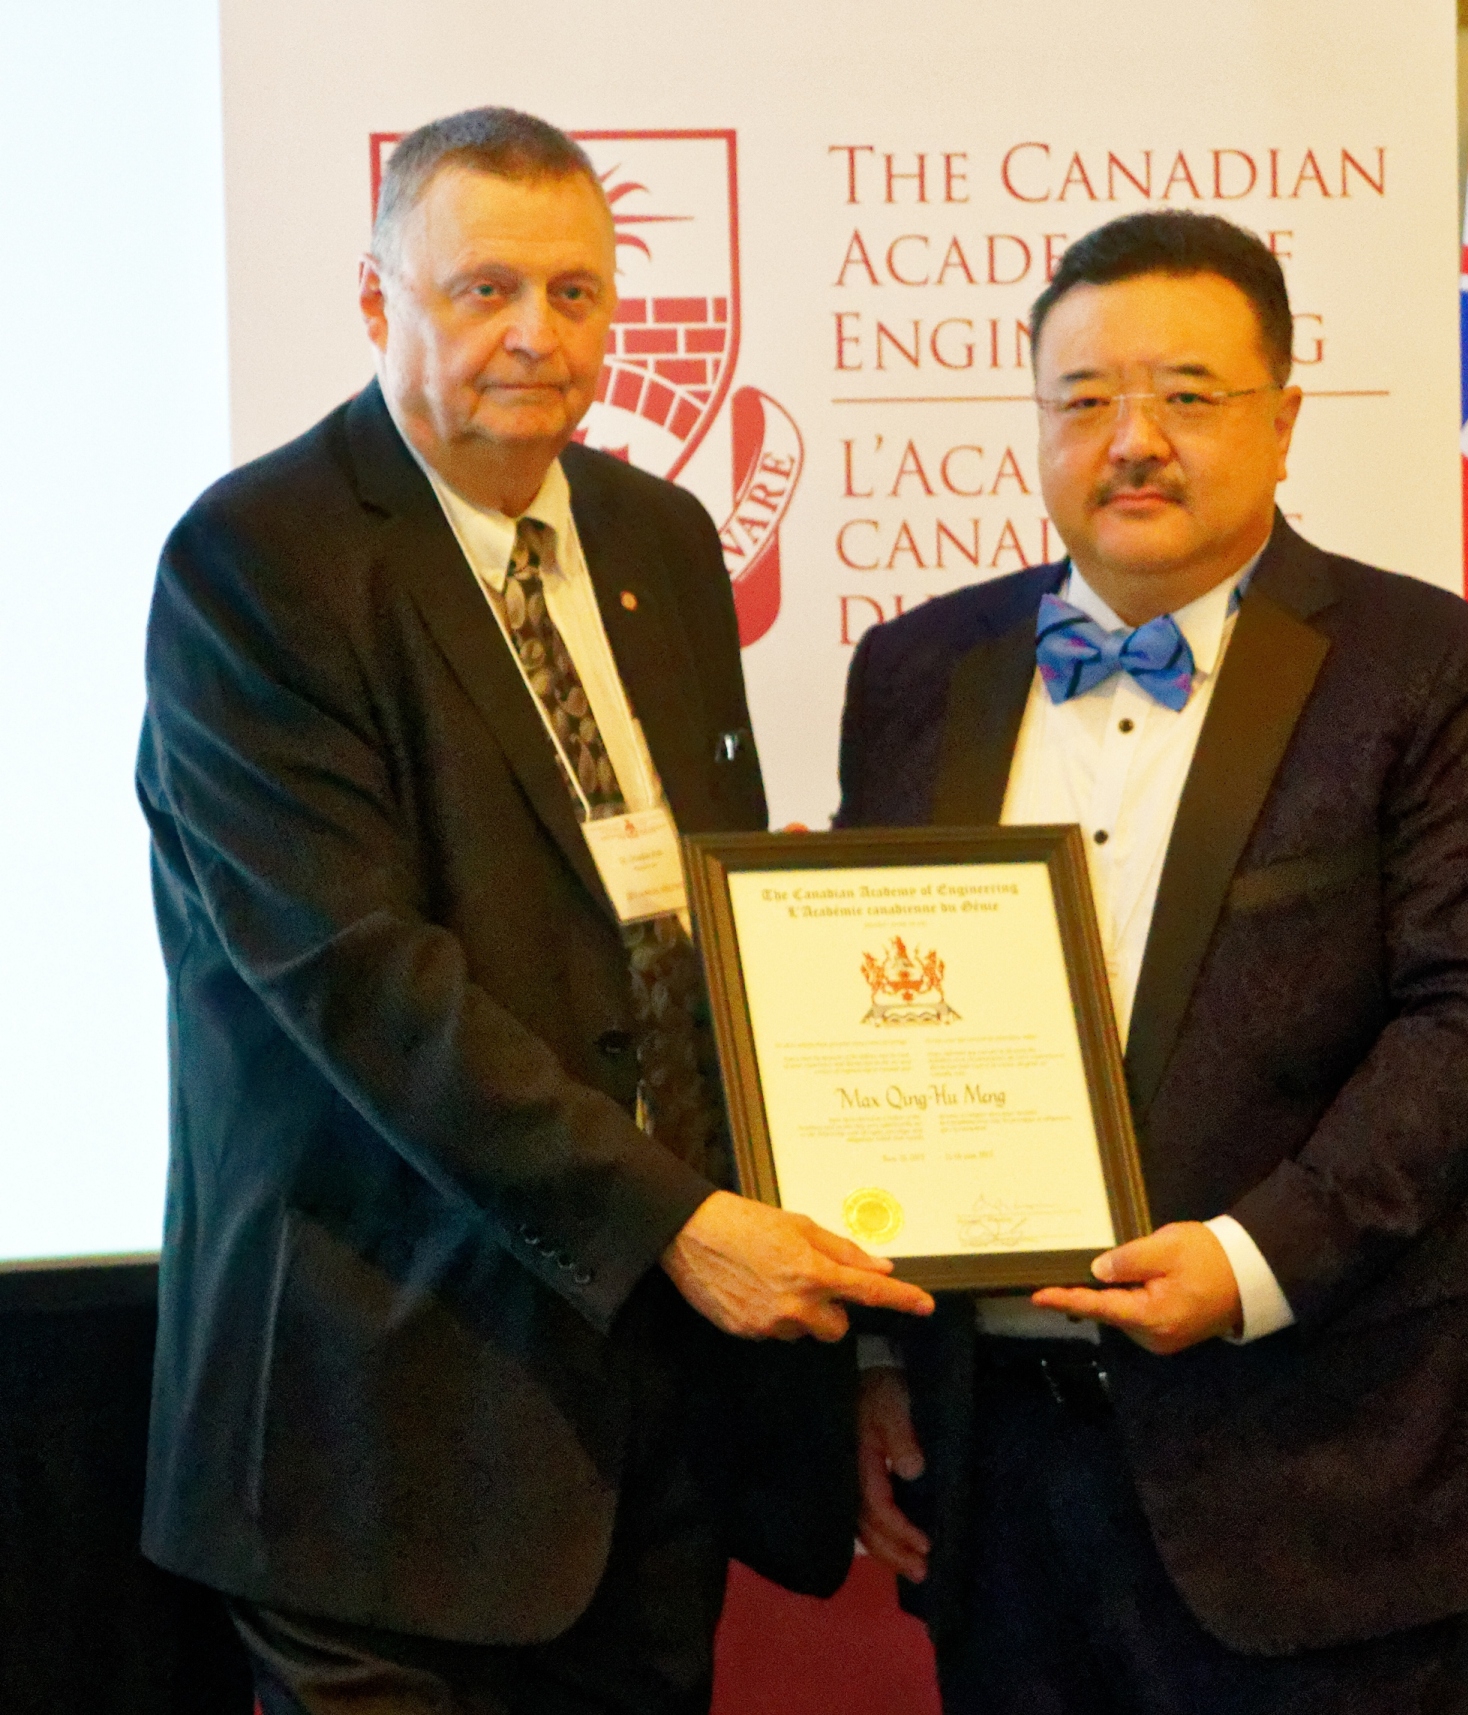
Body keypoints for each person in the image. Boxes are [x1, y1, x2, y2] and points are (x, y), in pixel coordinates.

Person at [136, 106, 931, 1715]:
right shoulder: (260, 560)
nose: (535, 334)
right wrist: (676, 1225)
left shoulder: (660, 540)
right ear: (378, 306)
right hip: (385, 1423)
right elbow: (357, 979)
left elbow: (684, 917)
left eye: (576, 293)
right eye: (483, 288)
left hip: (649, 1420)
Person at [837, 209, 1468, 1715]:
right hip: (1004, 1477)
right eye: (1086, 398)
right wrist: (873, 1365)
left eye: (1188, 393)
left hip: (1324, 1470)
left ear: (1286, 419)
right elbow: (864, 1051)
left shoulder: (1431, 670)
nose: (1134, 439)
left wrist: (1248, 1265)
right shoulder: (915, 676)